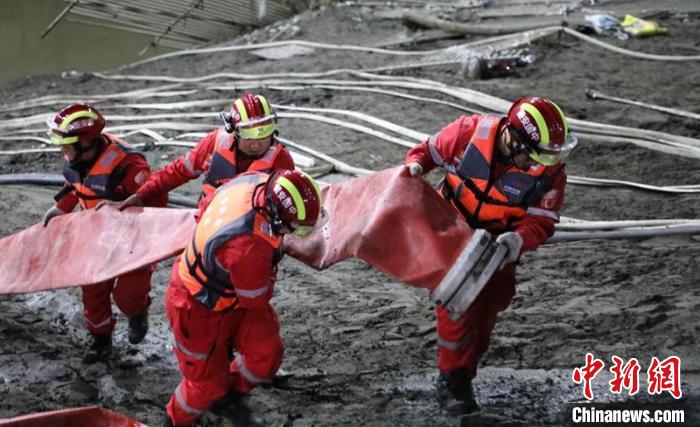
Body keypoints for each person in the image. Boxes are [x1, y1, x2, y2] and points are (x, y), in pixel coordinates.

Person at [404, 96, 577, 414]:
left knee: (488, 310)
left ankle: (464, 368)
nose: (538, 164)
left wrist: (517, 242)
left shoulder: (550, 172)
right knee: (458, 300)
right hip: (451, 229)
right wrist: (414, 167)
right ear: (512, 137)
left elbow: (542, 221)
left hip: (499, 245)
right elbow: (426, 152)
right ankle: (453, 380)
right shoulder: (466, 133)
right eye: (534, 154)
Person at [161, 169, 323, 427]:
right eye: (297, 229)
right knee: (205, 384)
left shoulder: (254, 180)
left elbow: (206, 207)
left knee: (266, 352)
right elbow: (256, 297)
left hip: (228, 292)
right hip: (196, 306)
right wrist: (271, 261)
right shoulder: (249, 248)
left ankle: (230, 395)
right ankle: (173, 419)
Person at [43, 103, 167, 363]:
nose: (64, 153)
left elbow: (157, 202)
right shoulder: (78, 159)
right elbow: (75, 187)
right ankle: (101, 342)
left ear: (87, 144)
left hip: (133, 241)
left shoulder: (130, 165)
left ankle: (138, 313)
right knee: (93, 293)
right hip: (96, 238)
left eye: (67, 146)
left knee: (128, 296)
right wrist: (60, 208)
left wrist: (121, 209)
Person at [116, 92, 294, 211]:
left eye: (264, 130)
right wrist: (141, 195)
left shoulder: (281, 160)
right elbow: (177, 172)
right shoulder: (215, 143)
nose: (256, 141)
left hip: (250, 229)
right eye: (248, 132)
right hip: (207, 220)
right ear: (233, 130)